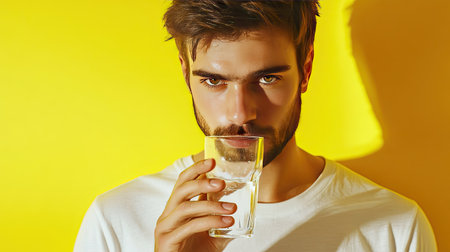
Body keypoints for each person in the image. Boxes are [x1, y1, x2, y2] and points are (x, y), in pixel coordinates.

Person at [74, 1, 437, 251]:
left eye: (266, 79)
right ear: (186, 74)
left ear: (306, 68)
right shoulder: (118, 219)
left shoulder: (394, 226)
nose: (240, 113)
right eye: (214, 81)